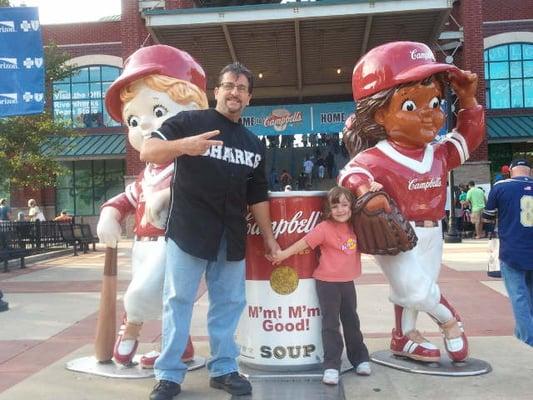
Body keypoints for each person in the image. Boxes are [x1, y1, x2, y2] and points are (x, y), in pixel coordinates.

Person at [140, 62, 279, 400]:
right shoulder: (190, 122)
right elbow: (147, 150)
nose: (235, 92)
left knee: (229, 303)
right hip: (189, 230)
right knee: (178, 300)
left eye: (242, 88)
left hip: (230, 235)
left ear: (249, 98)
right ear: (216, 91)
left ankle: (223, 369)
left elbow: (257, 196)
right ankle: (169, 375)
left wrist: (270, 239)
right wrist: (184, 146)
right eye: (229, 85)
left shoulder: (253, 143)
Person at [340, 41, 484, 363]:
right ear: (379, 113)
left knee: (417, 290)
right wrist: (365, 189)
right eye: (410, 106)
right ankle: (451, 322)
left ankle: (403, 336)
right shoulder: (378, 156)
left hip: (433, 232)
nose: (429, 115)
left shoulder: (438, 152)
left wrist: (468, 99)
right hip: (397, 231)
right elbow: (350, 174)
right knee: (416, 289)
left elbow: (469, 138)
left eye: (434, 102)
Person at [97, 45, 208, 368]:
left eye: (158, 112)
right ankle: (181, 348)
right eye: (134, 119)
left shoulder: (191, 164)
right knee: (168, 299)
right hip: (143, 245)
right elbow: (128, 197)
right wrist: (110, 212)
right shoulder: (149, 171)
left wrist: (172, 196)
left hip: (174, 242)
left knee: (142, 293)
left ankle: (129, 328)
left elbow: (204, 191)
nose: (144, 125)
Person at [272, 185, 381, 385]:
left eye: (345, 205)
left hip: (348, 282)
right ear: (328, 210)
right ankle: (331, 365)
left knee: (352, 322)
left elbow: (373, 207)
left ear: (352, 206)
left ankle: (360, 359)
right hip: (327, 283)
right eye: (335, 206)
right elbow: (304, 243)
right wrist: (283, 255)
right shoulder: (323, 228)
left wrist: (374, 188)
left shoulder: (356, 225)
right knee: (330, 324)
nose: (340, 210)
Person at [482, 158, 533, 346]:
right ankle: (522, 336)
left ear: (510, 170)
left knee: (518, 296)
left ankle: (528, 341)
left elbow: (488, 217)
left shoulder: (501, 187)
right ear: (530, 171)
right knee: (530, 297)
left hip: (512, 249)